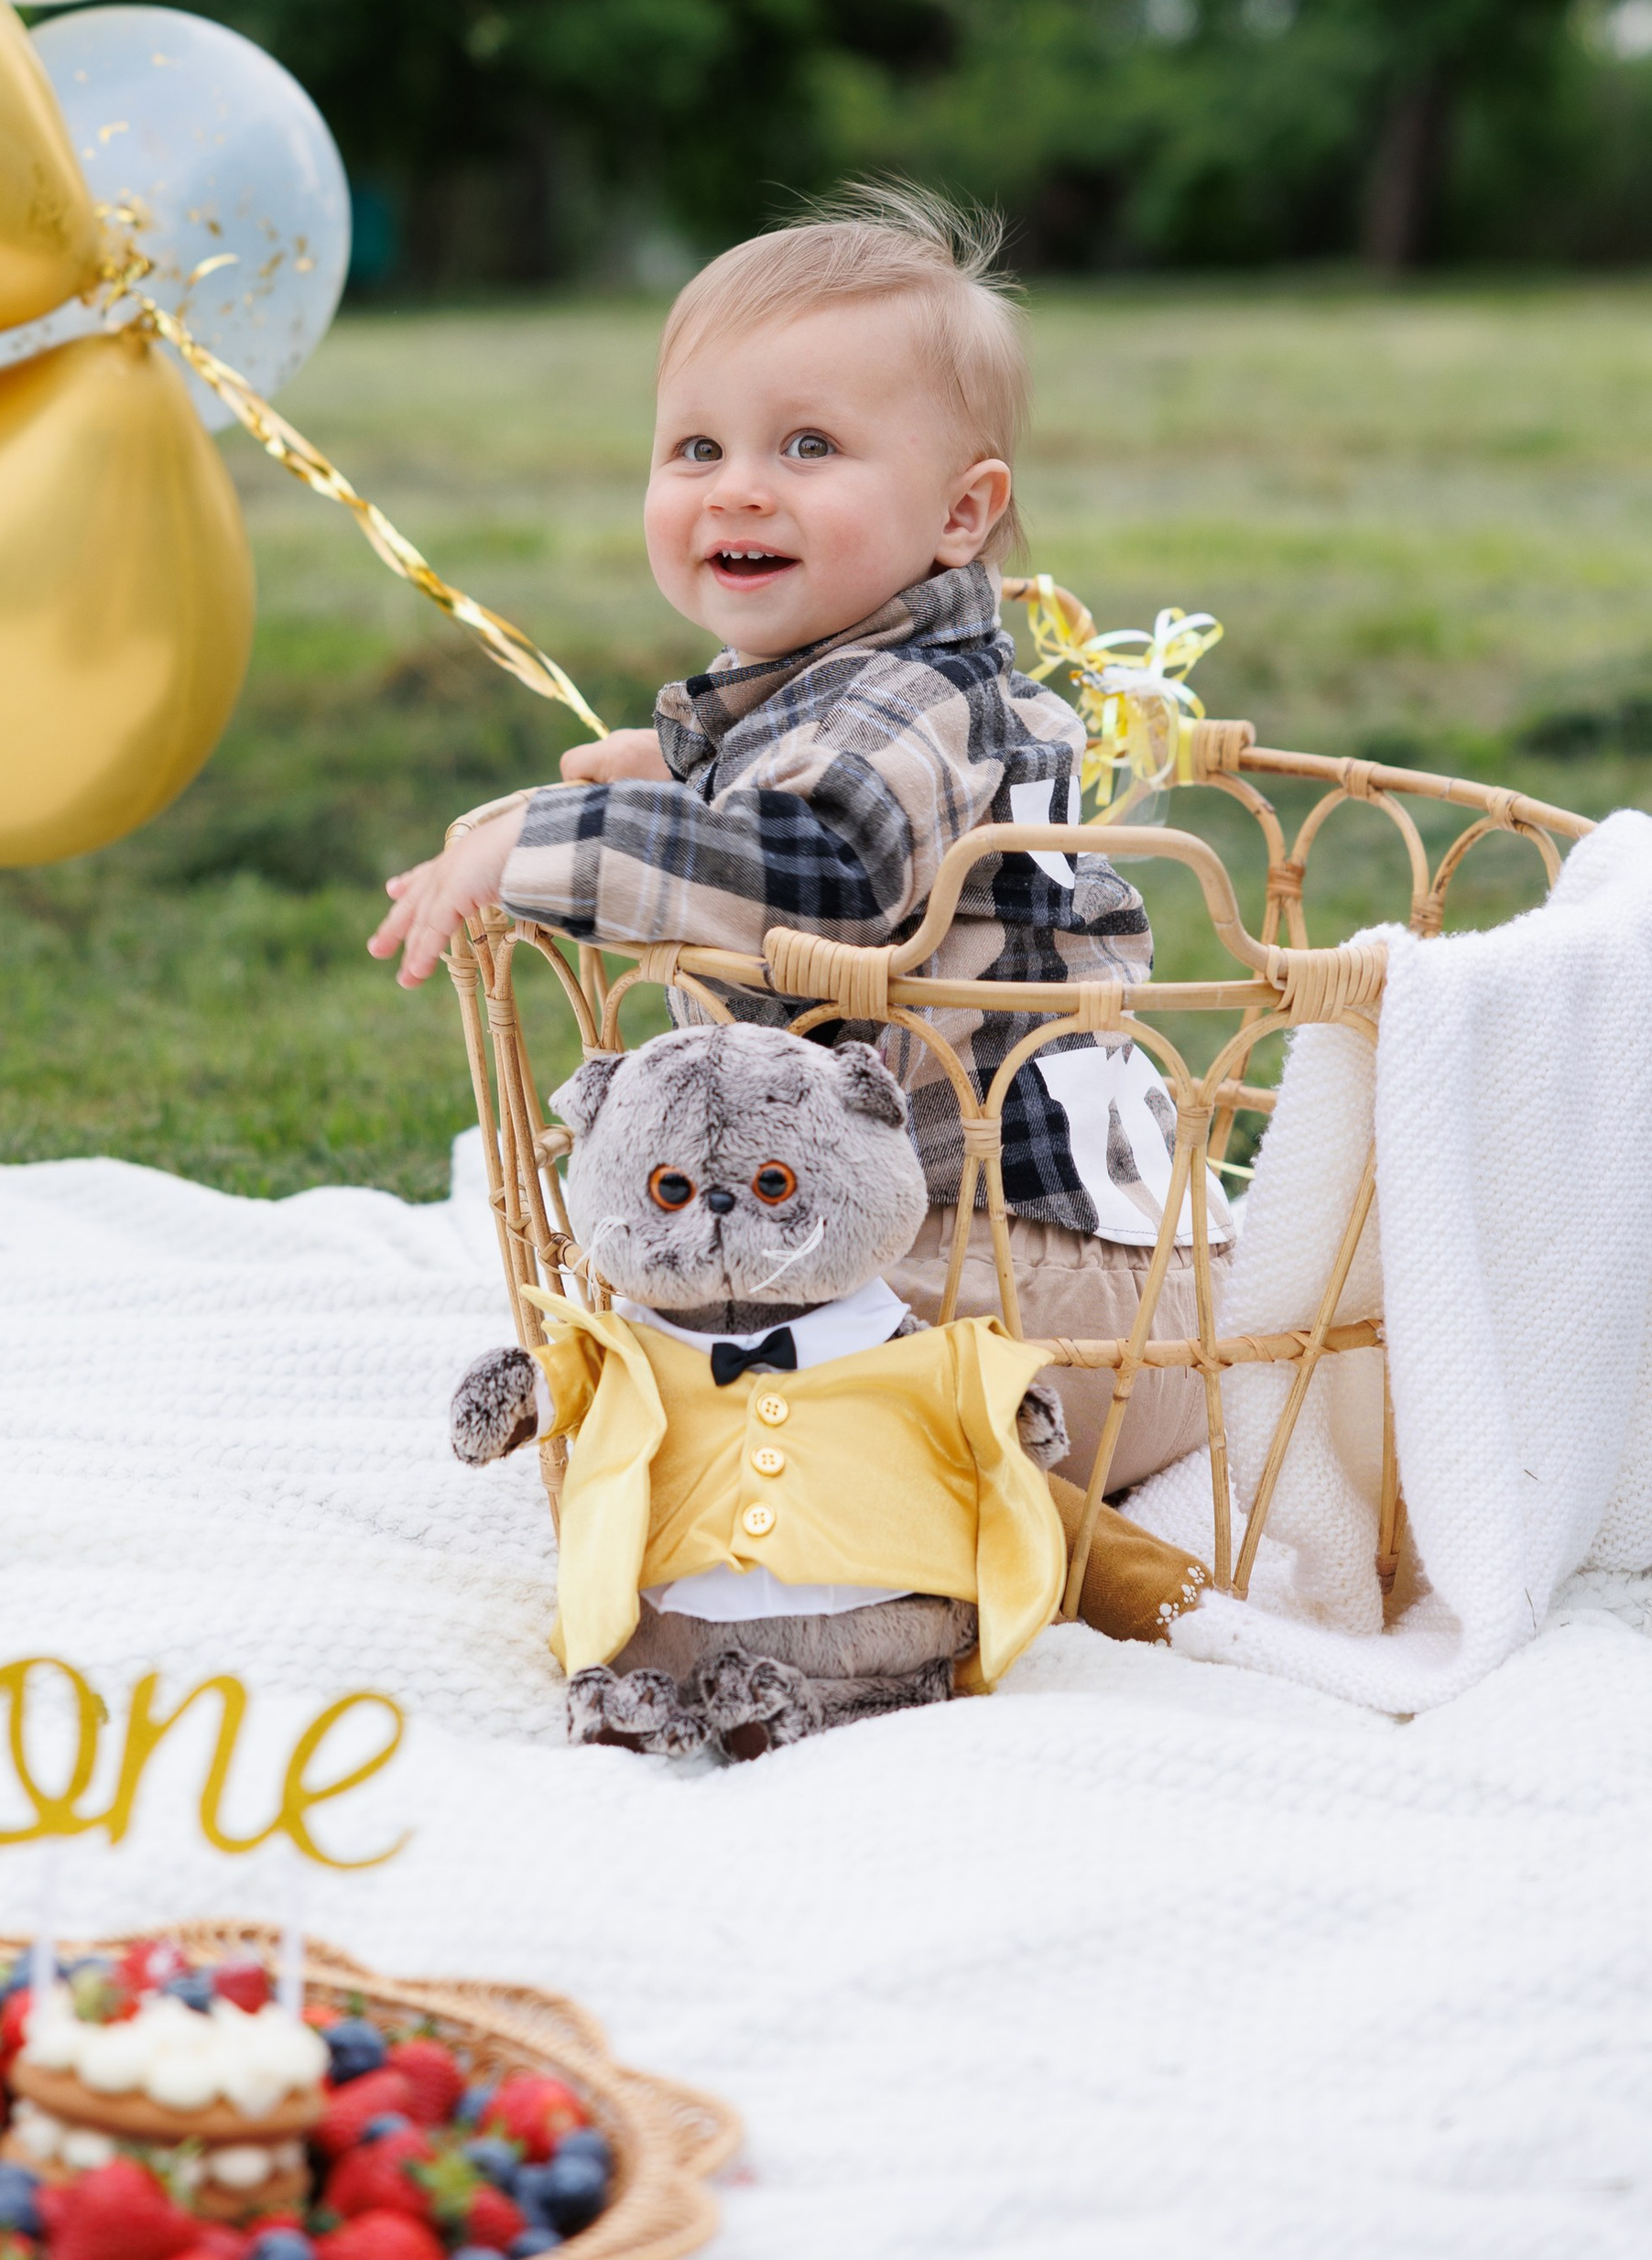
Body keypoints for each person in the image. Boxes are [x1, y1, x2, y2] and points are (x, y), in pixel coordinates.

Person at [367, 179, 1228, 1491]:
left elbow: (814, 876)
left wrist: (550, 838)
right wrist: (684, 766)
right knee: (714, 1301)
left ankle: (835, 1522)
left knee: (704, 1346)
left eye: (808, 446)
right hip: (1075, 1280)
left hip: (1029, 1295)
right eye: (695, 449)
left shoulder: (908, 700)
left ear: (961, 514)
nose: (739, 491)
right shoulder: (879, 690)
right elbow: (813, 786)